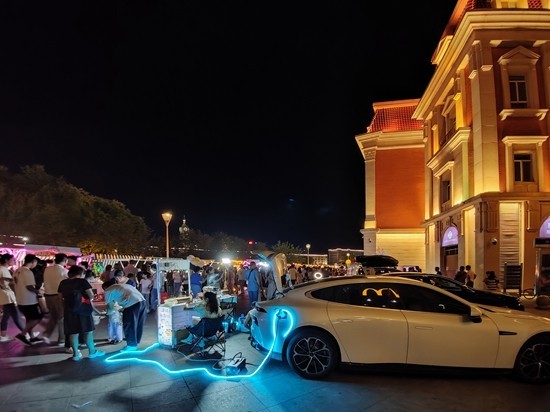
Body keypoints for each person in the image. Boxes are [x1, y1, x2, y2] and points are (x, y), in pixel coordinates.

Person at [58, 265, 105, 361]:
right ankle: (92, 352)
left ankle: (75, 354)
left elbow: (59, 297)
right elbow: (91, 295)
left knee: (73, 332)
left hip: (69, 310)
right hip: (83, 310)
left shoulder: (63, 283)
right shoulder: (82, 281)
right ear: (81, 274)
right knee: (88, 331)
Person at [103, 277, 147, 352]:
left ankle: (131, 346)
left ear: (104, 288)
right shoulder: (122, 286)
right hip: (142, 302)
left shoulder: (108, 291)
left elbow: (111, 307)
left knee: (129, 324)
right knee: (138, 323)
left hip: (132, 304)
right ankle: (135, 342)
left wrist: (106, 314)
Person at [13, 254, 44, 345]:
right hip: (29, 300)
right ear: (33, 262)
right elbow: (29, 286)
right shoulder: (27, 272)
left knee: (29, 319)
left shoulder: (17, 270)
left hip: (20, 299)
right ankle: (22, 334)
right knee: (37, 318)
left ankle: (32, 337)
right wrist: (38, 292)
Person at [42, 253, 69, 346]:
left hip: (48, 295)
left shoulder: (47, 269)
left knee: (53, 316)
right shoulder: (64, 271)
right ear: (65, 260)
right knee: (61, 317)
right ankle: (61, 340)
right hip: (58, 296)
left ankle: (46, 334)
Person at [0, 253, 25, 342]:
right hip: (7, 295)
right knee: (15, 315)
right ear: (6, 260)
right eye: (12, 260)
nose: (14, 261)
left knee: (7, 316)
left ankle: (3, 335)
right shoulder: (3, 270)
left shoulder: (3, 269)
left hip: (5, 295)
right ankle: (26, 333)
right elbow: (9, 283)